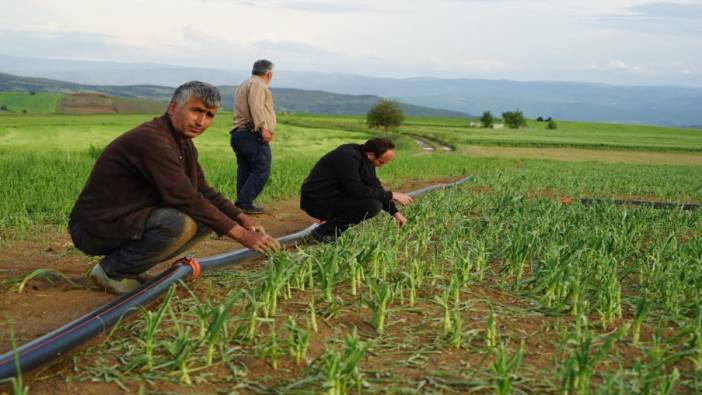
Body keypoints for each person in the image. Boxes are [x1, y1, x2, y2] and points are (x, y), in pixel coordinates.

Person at [69, 81, 281, 294]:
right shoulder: (152, 140)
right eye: (196, 111)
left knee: (208, 219)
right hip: (94, 227)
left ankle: (131, 268)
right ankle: (111, 271)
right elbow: (185, 198)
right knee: (178, 224)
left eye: (209, 115)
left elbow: (202, 190)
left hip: (126, 219)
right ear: (173, 108)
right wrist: (244, 237)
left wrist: (241, 218)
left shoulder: (182, 142)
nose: (201, 121)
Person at [300, 138, 413, 243]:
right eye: (381, 162)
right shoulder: (347, 157)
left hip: (333, 197)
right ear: (371, 154)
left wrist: (396, 213)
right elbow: (357, 191)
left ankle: (330, 228)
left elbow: (375, 187)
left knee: (373, 202)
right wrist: (391, 194)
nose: (381, 166)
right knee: (372, 206)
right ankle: (323, 232)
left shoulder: (365, 160)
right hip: (317, 201)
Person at [230, 59, 276, 214]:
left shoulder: (244, 84)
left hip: (239, 133)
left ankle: (241, 204)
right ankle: (244, 202)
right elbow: (256, 107)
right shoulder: (258, 85)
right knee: (261, 168)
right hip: (252, 134)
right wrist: (264, 128)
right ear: (269, 73)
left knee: (245, 168)